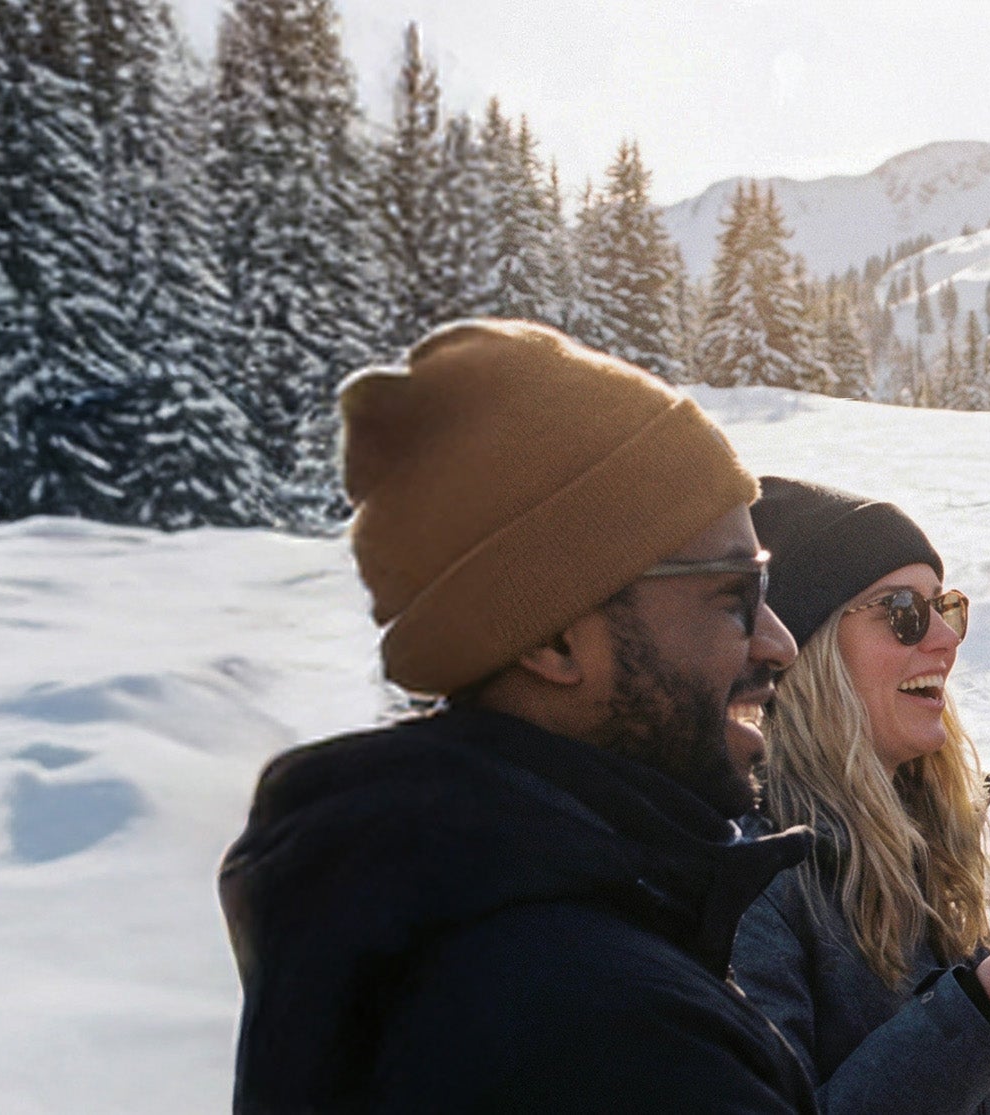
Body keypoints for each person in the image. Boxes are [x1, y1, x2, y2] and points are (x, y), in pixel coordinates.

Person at [218, 320, 816, 1111]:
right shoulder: (600, 1031)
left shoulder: (442, 918)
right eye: (734, 596)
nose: (779, 645)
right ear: (552, 636)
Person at [731, 478, 990, 1112]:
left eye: (943, 608)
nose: (947, 640)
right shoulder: (753, 876)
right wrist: (982, 1012)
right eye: (902, 612)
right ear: (805, 650)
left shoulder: (929, 832)